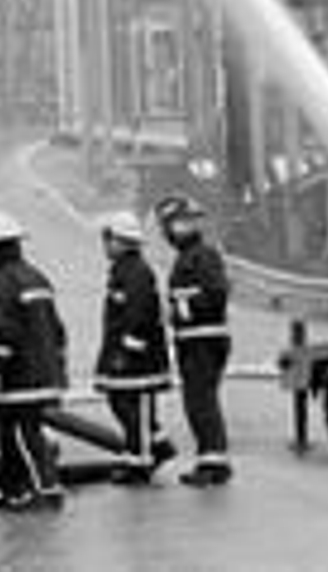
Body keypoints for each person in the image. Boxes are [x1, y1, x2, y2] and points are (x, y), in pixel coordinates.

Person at [0, 209, 68, 511]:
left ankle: (46, 490)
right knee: (10, 435)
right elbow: (57, 329)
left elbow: (3, 333)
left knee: (22, 434)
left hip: (19, 377)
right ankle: (14, 490)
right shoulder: (37, 277)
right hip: (43, 371)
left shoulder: (2, 283)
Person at [156, 195, 233, 487]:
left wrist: (180, 308)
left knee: (201, 402)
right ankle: (210, 459)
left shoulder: (203, 256)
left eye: (173, 225)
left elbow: (216, 295)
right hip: (193, 340)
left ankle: (213, 463)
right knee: (198, 401)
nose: (170, 233)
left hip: (204, 340)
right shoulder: (189, 257)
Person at [93, 209, 174, 484]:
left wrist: (128, 350)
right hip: (126, 353)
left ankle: (140, 464)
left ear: (121, 241)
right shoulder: (124, 270)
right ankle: (158, 447)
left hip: (137, 358)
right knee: (121, 401)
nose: (105, 245)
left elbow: (138, 314)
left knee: (134, 406)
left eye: (108, 239)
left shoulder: (136, 272)